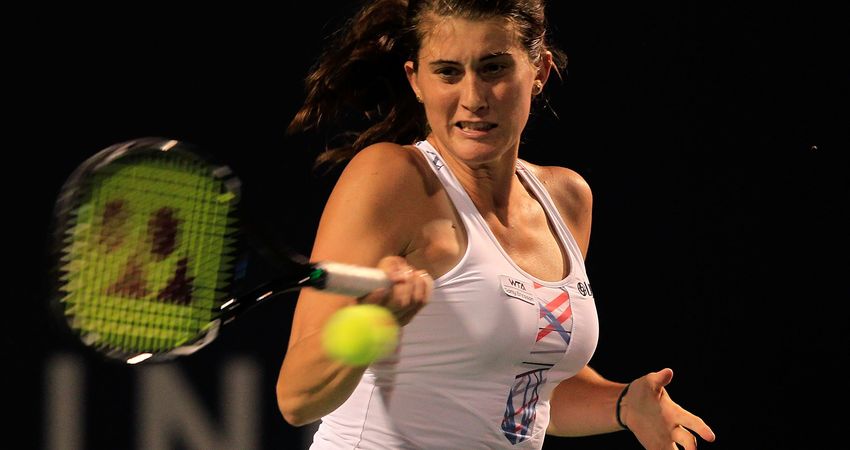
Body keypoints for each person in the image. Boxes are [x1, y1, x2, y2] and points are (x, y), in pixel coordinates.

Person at [276, 1, 716, 448]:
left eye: (493, 68)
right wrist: (372, 320)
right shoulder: (391, 179)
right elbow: (297, 398)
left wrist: (622, 403)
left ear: (539, 71)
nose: (473, 98)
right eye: (448, 72)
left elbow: (522, 387)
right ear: (416, 80)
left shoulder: (567, 199)